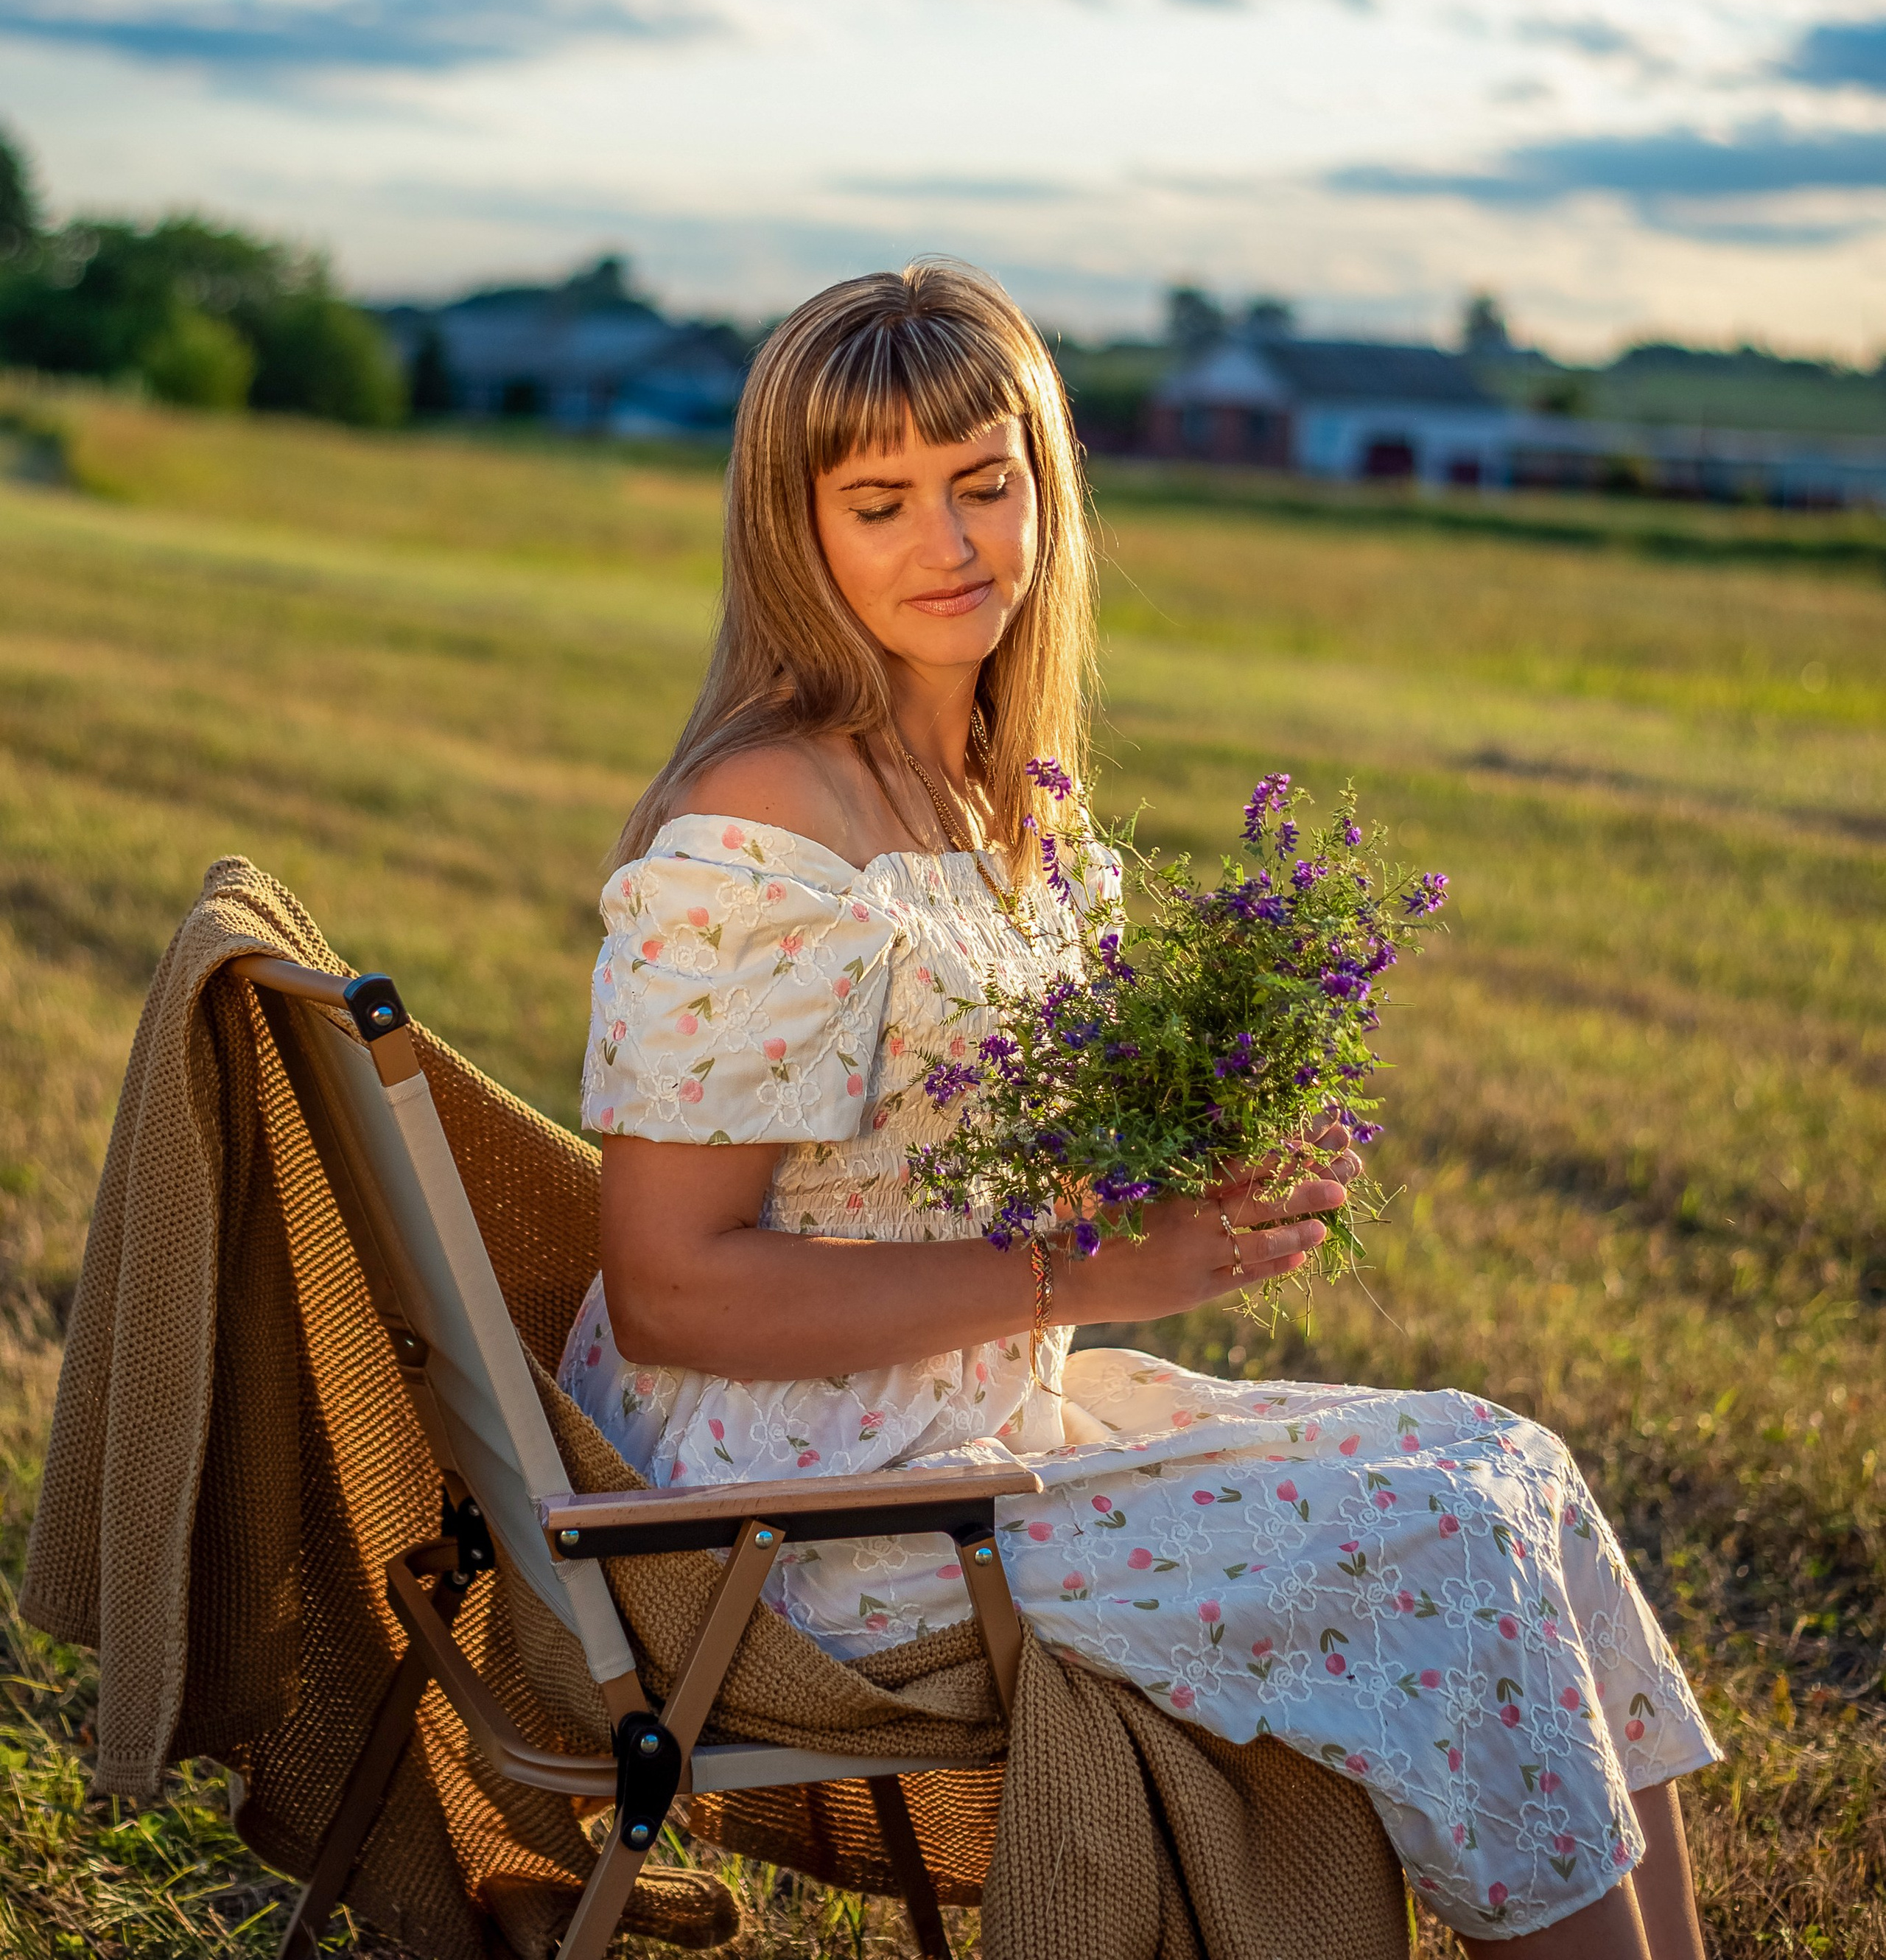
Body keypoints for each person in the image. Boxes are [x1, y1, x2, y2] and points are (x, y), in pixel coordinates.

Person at [559, 262, 1717, 1955]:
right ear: (791, 536)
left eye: (984, 481)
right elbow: (673, 1283)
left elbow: (970, 1157)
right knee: (1441, 1541)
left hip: (978, 1431)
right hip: (815, 1518)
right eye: (878, 502)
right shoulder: (765, 829)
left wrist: (1199, 1167)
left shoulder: (999, 800)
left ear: (1045, 483)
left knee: (1507, 1464)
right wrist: (1084, 1276)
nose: (947, 542)